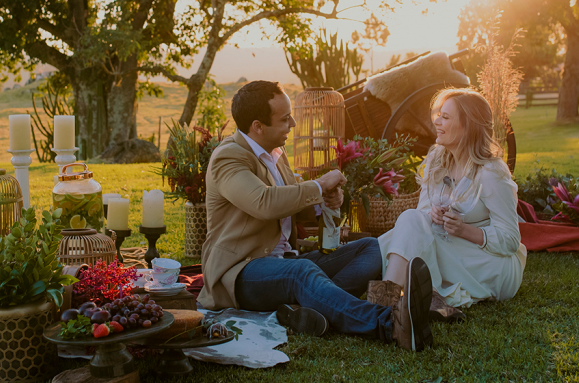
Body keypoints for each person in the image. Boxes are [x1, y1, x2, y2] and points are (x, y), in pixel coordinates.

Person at [198, 80, 434, 351]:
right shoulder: (228, 158)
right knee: (300, 273)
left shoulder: (276, 152)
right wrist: (319, 186)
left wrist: (323, 202)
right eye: (285, 119)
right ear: (258, 126)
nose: (294, 125)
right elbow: (263, 203)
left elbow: (291, 205)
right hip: (241, 271)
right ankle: (390, 325)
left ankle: (305, 306)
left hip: (284, 261)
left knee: (370, 248)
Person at [379, 88, 526, 309]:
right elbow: (421, 217)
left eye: (445, 117)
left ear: (468, 127)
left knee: (396, 238)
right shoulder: (437, 161)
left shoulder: (490, 172)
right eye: (439, 115)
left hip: (490, 261)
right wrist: (433, 214)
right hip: (451, 247)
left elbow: (510, 240)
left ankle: (381, 306)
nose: (437, 122)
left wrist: (464, 230)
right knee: (405, 226)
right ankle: (390, 304)